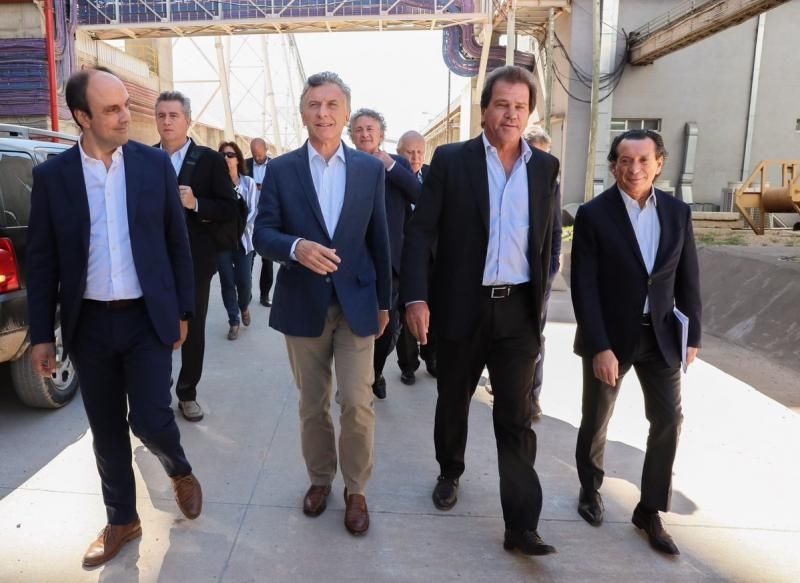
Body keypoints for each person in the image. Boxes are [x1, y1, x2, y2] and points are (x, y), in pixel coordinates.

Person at [27, 68, 202, 568]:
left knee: (150, 418)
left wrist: (183, 310)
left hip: (146, 318)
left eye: (126, 104)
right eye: (111, 109)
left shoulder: (153, 165)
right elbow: (42, 262)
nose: (126, 116)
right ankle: (122, 519)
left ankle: (178, 468)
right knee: (105, 430)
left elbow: (177, 243)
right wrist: (41, 336)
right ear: (82, 117)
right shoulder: (53, 177)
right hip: (89, 325)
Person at [402, 66, 560, 556]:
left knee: (515, 417)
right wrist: (416, 297)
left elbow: (549, 239)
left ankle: (521, 526)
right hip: (461, 305)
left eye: (520, 107)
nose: (510, 114)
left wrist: (541, 298)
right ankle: (450, 471)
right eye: (502, 104)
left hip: (517, 312)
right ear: (485, 109)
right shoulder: (452, 161)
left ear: (529, 113)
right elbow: (421, 233)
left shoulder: (544, 168)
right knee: (453, 398)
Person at [253, 72, 391, 536]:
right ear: (302, 113)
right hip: (302, 304)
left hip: (357, 303)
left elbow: (380, 240)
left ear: (346, 113)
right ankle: (320, 479)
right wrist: (295, 247)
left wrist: (385, 303)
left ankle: (357, 489)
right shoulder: (281, 169)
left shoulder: (369, 170)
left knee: (356, 402)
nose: (323, 113)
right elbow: (262, 233)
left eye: (332, 105)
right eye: (314, 104)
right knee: (312, 404)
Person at [571, 128, 701, 556]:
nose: (634, 169)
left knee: (668, 421)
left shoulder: (678, 213)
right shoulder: (593, 214)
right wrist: (599, 346)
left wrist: (694, 335)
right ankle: (590, 489)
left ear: (659, 164)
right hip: (611, 337)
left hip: (661, 336)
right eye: (625, 161)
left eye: (644, 160)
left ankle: (649, 509)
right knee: (597, 418)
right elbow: (584, 287)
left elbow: (688, 277)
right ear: (613, 166)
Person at [155, 91, 239, 422]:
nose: (166, 121)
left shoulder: (209, 160)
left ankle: (187, 393)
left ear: (188, 120)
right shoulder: (144, 158)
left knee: (192, 329)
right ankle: (158, 390)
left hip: (195, 262)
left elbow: (230, 208)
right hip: (154, 263)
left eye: (173, 115)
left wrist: (196, 203)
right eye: (161, 115)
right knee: (154, 328)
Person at [349, 109, 420, 399]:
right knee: (355, 327)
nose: (365, 134)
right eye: (359, 129)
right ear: (351, 135)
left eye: (371, 129)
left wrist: (390, 165)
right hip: (355, 261)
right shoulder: (344, 163)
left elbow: (419, 194)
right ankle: (357, 379)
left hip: (390, 262)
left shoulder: (398, 164)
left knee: (387, 328)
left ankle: (375, 372)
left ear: (381, 134)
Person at [524, 126, 563, 420]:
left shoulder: (551, 182)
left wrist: (551, 269)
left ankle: (532, 396)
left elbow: (556, 229)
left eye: (546, 154)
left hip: (540, 276)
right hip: (507, 276)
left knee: (536, 335)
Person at [395, 130, 436, 384]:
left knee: (432, 308)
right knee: (406, 309)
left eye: (420, 152)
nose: (415, 157)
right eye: (409, 152)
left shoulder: (434, 175)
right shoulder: (391, 177)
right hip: (401, 257)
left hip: (431, 257)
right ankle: (408, 365)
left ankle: (432, 356)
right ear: (399, 153)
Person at [217, 141, 259, 340]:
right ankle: (233, 321)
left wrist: (237, 230)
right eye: (222, 155)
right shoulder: (216, 183)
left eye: (230, 155)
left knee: (244, 282)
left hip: (244, 241)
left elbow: (253, 211)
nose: (226, 158)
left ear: (238, 160)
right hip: (222, 242)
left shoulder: (248, 183)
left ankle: (244, 306)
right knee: (227, 281)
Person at [245, 137, 274, 307]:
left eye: (260, 155)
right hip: (248, 219)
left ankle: (265, 295)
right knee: (247, 258)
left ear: (266, 149)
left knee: (267, 259)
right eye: (254, 154)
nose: (257, 158)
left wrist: (263, 187)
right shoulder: (245, 165)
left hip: (267, 219)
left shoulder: (275, 166)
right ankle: (246, 293)